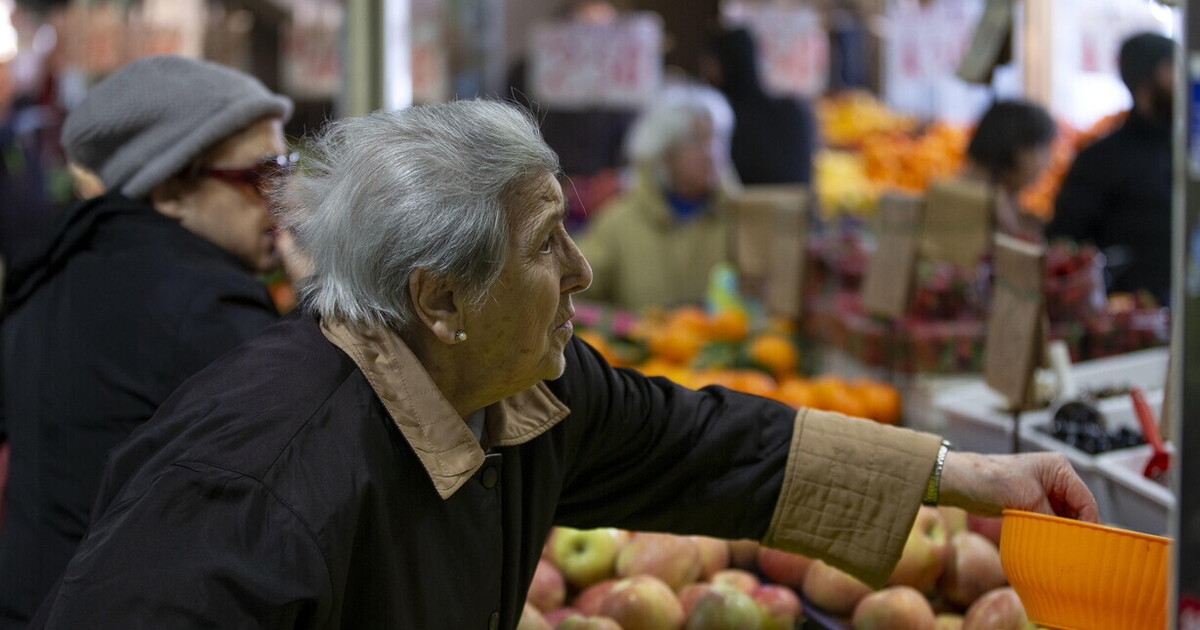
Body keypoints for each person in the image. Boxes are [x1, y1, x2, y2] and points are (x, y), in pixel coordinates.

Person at [29, 99, 1096, 629]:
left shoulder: (524, 391)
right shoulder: (258, 476)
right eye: (545, 245)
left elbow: (709, 443)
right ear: (440, 299)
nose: (584, 271)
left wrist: (965, 476)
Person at [0, 55, 300, 628]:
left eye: (285, 169)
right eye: (257, 176)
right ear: (169, 190)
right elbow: (310, 476)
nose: (282, 198)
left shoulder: (50, 273)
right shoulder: (208, 308)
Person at [575, 83, 739, 310]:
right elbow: (573, 292)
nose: (712, 153)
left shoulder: (742, 219)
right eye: (697, 140)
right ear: (663, 151)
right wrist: (626, 328)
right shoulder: (617, 223)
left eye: (717, 138)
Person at [1048, 32, 1175, 304]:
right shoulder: (1101, 159)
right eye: (1171, 67)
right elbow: (1064, 243)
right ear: (1147, 77)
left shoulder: (1187, 155)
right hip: (1129, 321)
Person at [701, 27, 817, 186]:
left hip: (744, 209)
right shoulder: (795, 111)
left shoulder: (721, 118)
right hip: (795, 209)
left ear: (720, 64)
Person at [960, 99, 1057, 243]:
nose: (1048, 162)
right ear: (1015, 148)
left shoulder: (1004, 195)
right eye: (1043, 149)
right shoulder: (982, 204)